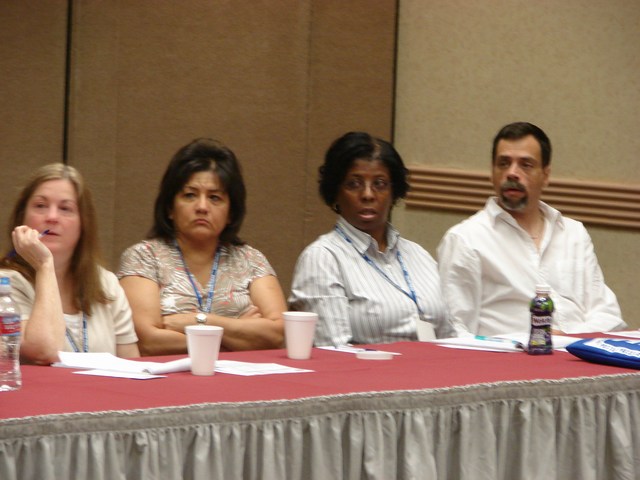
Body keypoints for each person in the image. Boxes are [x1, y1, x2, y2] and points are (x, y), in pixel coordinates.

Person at [437, 121, 627, 337]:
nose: (512, 173)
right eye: (503, 163)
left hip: (578, 352)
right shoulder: (466, 239)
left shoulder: (573, 234)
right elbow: (454, 332)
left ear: (545, 175)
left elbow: (608, 316)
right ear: (492, 173)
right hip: (508, 356)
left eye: (525, 165)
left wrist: (566, 340)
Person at [118, 138, 286, 355]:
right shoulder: (143, 257)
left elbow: (277, 334)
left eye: (215, 198)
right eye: (190, 195)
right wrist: (238, 333)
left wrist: (200, 321)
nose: (202, 207)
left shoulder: (250, 260)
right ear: (170, 207)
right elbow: (148, 342)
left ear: (231, 212)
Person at [289, 131, 454, 346]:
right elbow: (334, 350)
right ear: (335, 192)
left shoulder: (418, 254)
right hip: (370, 367)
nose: (368, 194)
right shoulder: (323, 258)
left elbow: (450, 336)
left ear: (394, 193)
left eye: (380, 184)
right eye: (353, 184)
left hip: (435, 364)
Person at [0, 163, 139, 365]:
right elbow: (44, 350)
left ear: (84, 223)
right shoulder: (5, 283)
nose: (52, 217)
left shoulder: (106, 283)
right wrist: (45, 265)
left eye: (65, 209)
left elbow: (132, 364)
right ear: (22, 218)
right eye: (40, 206)